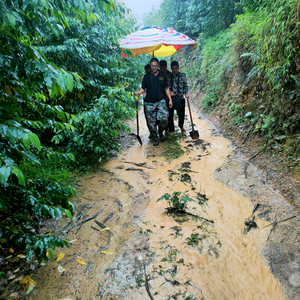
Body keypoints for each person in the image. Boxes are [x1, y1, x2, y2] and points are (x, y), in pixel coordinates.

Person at [135, 58, 173, 146]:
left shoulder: (163, 75)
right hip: (149, 103)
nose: (154, 67)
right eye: (152, 66)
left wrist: (170, 100)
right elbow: (143, 88)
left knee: (164, 119)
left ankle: (160, 132)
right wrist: (139, 93)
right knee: (151, 123)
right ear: (150, 65)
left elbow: (166, 88)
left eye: (155, 66)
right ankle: (156, 137)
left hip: (161, 101)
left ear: (158, 65)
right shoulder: (146, 77)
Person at [168, 61, 189, 134]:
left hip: (180, 98)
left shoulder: (182, 75)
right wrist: (169, 93)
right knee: (170, 115)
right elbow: (166, 87)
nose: (174, 70)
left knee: (181, 114)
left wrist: (186, 93)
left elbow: (185, 86)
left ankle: (181, 126)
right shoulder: (169, 76)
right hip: (171, 99)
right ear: (171, 68)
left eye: (176, 68)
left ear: (178, 68)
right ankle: (171, 131)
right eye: (173, 69)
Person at [141, 64, 152, 138]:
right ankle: (151, 131)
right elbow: (143, 88)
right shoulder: (144, 78)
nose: (147, 71)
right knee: (148, 117)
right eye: (146, 70)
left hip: (153, 99)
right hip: (146, 99)